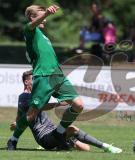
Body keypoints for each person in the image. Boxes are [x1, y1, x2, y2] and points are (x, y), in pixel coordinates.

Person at [7, 4, 85, 150]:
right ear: (32, 17)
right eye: (41, 16)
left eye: (45, 16)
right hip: (43, 76)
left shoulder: (43, 35)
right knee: (31, 115)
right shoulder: (30, 30)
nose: (45, 20)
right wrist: (47, 13)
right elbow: (32, 25)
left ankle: (60, 134)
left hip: (57, 75)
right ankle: (13, 139)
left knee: (78, 105)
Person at [9, 71, 122, 153]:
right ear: (26, 82)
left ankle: (62, 144)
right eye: (34, 79)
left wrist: (17, 123)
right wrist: (57, 104)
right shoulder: (24, 96)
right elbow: (40, 107)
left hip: (53, 131)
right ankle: (106, 147)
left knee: (86, 149)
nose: (37, 81)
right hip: (44, 138)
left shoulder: (34, 96)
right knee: (72, 128)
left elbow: (20, 115)